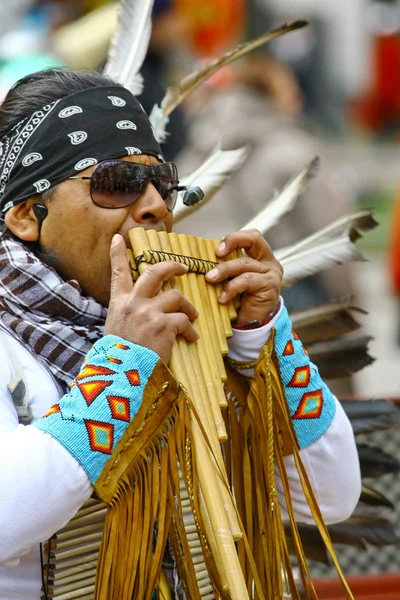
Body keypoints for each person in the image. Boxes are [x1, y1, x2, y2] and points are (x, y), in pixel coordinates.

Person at [0, 68, 361, 600]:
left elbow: (330, 496)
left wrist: (263, 335)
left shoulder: (190, 324)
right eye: (116, 183)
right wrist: (122, 366)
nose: (155, 207)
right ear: (28, 216)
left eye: (162, 184)